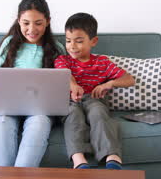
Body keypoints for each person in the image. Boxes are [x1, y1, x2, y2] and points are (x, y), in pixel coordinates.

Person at [0, 0, 64, 167]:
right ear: (18, 21)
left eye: (38, 23)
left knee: (38, 125)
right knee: (1, 126)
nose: (32, 29)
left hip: (40, 109)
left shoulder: (56, 49)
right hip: (8, 106)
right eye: (26, 23)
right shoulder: (9, 43)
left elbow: (63, 83)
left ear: (48, 21)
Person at [54, 12, 135, 169]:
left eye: (78, 41)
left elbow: (129, 80)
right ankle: (79, 160)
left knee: (98, 113)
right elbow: (65, 73)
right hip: (71, 100)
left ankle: (112, 157)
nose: (72, 46)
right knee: (73, 115)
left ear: (93, 41)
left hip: (94, 99)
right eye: (68, 41)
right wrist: (73, 85)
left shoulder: (102, 62)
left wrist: (109, 84)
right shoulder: (63, 59)